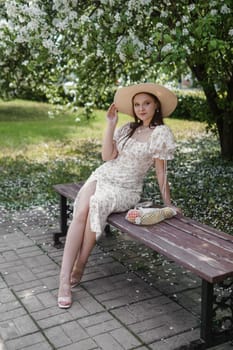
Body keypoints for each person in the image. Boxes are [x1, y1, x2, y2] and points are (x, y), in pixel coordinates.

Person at [58, 82, 181, 308]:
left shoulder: (160, 133)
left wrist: (168, 205)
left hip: (126, 189)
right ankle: (64, 281)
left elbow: (160, 172)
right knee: (81, 211)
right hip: (104, 175)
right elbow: (107, 157)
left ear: (156, 106)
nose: (141, 108)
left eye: (146, 103)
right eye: (137, 104)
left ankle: (81, 264)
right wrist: (111, 124)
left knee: (97, 204)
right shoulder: (127, 128)